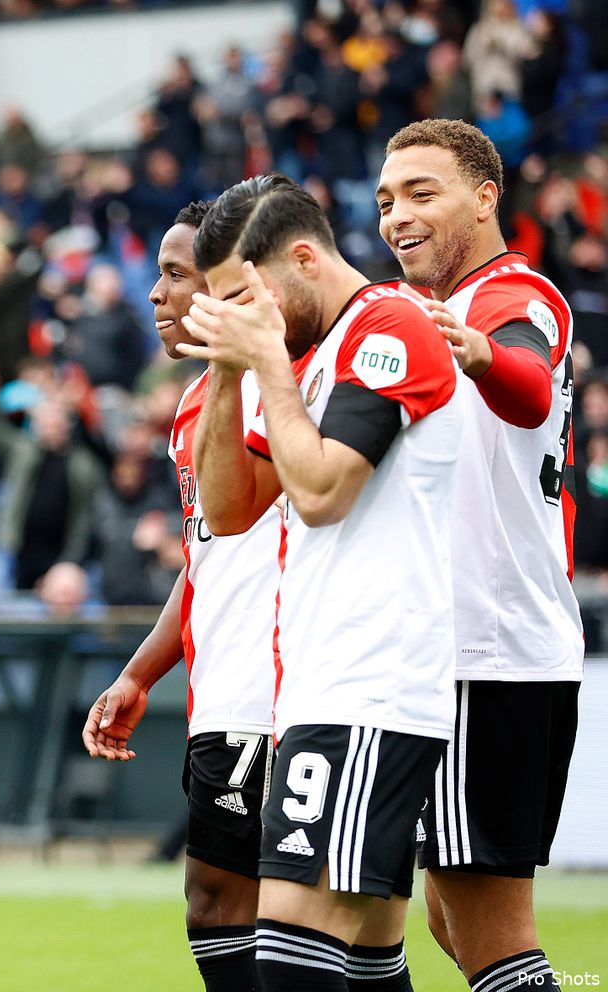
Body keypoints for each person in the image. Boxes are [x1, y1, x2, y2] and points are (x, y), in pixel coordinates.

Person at [182, 174, 461, 992]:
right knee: (368, 964)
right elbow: (230, 512)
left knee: (288, 961)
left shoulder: (389, 327)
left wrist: (264, 360)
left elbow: (323, 491)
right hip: (321, 684)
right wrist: (231, 374)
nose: (235, 312)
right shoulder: (303, 360)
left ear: (303, 257)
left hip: (372, 684)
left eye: (243, 293)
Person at [377, 119, 580, 992]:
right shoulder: (430, 310)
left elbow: (529, 385)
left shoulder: (509, 297)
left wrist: (479, 351)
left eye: (423, 193)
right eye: (387, 200)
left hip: (481, 654)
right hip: (480, 653)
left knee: (492, 935)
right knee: (452, 921)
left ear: (486, 197)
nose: (397, 215)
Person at [83, 199, 281, 992]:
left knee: (228, 908)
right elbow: (209, 562)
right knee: (264, 916)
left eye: (175, 275)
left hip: (271, 692)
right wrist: (139, 672)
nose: (156, 295)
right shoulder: (200, 402)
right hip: (223, 686)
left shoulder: (275, 384)